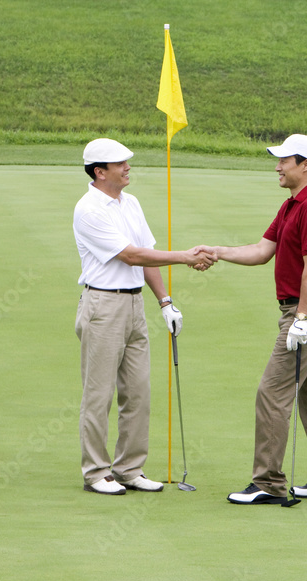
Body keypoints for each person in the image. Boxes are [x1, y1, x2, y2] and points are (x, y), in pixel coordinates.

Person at [202, 134, 307, 504]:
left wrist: (300, 319)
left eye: (285, 160)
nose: (277, 166)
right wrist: (217, 251)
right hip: (305, 310)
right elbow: (262, 251)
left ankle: (267, 482)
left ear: (306, 165)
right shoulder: (291, 206)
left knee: (272, 392)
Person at [73, 138, 215, 495]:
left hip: (134, 306)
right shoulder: (89, 209)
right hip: (102, 307)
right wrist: (185, 256)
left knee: (138, 393)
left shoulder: (130, 203)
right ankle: (95, 473)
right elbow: (132, 256)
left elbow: (148, 253)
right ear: (99, 171)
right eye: (120, 163)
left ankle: (128, 469)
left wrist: (165, 302)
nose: (127, 167)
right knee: (99, 394)